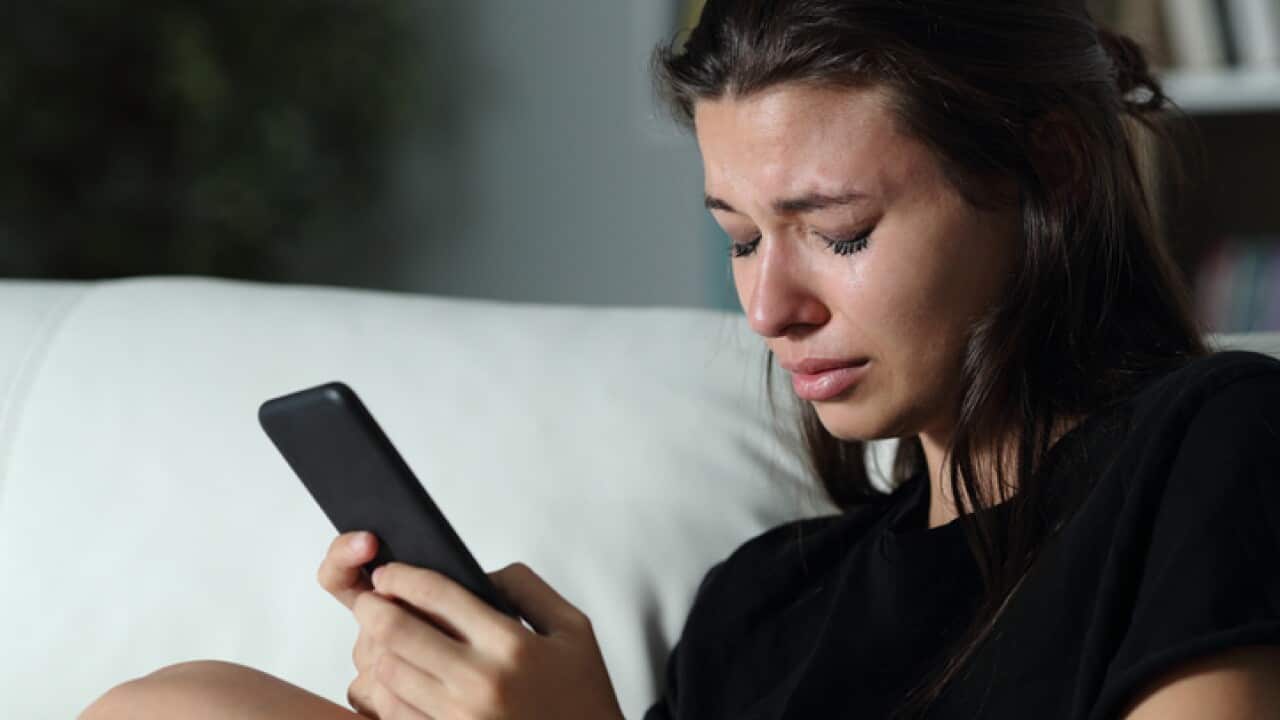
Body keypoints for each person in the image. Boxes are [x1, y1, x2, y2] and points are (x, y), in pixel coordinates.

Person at [80, 1, 1280, 718]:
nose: (768, 308)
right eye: (740, 240)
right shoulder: (763, 604)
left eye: (838, 232)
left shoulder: (1210, 445)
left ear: (1049, 174)